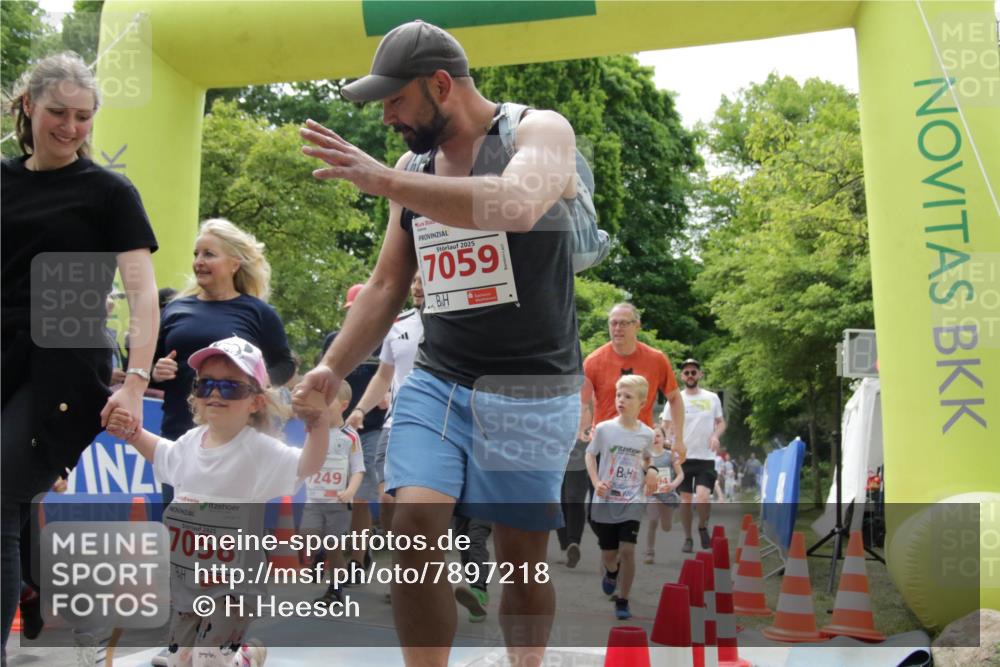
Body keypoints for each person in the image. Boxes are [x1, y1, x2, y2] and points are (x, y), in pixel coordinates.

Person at [296, 19, 584, 666]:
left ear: (441, 84)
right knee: (414, 525)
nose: (386, 117)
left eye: (395, 100)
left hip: (530, 387)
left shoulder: (538, 130)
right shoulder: (411, 166)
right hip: (440, 378)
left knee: (519, 558)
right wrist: (330, 368)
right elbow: (385, 285)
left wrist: (387, 183)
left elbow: (515, 205)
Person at [1, 51, 159, 660]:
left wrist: (136, 383)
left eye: (84, 117)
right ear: (27, 106)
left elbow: (144, 295)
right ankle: (35, 589)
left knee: (2, 493)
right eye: (58, 113)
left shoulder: (108, 191)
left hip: (67, 351)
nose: (70, 127)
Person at [108, 336, 329, 667]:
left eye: (230, 387)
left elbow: (306, 466)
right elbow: (163, 453)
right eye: (205, 384)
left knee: (208, 661)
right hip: (188, 582)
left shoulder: (257, 450)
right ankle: (233, 655)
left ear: (255, 401)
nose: (214, 393)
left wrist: (318, 426)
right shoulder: (190, 442)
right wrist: (133, 433)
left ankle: (241, 657)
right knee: (179, 660)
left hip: (233, 589)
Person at [320, 283, 389, 578]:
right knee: (332, 493)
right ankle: (333, 558)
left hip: (371, 429)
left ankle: (358, 561)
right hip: (337, 431)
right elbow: (325, 378)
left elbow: (390, 376)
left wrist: (385, 393)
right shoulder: (335, 341)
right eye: (352, 310)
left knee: (360, 497)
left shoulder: (385, 342)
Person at [585, 375, 657, 620]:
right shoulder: (605, 430)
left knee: (628, 551)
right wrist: (596, 482)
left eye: (628, 396)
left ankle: (623, 600)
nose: (621, 400)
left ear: (642, 403)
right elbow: (589, 455)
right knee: (609, 555)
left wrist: (652, 472)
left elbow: (650, 458)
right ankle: (611, 572)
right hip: (606, 501)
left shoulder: (646, 434)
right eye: (619, 395)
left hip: (632, 501)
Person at [580, 303, 685, 454]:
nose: (617, 328)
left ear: (637, 325)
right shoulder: (593, 361)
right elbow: (581, 402)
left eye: (623, 323)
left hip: (641, 443)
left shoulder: (656, 359)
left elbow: (675, 397)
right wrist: (582, 428)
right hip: (605, 444)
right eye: (613, 323)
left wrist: (679, 439)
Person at [301, 380, 364, 605]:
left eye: (328, 401)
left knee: (335, 549)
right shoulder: (313, 432)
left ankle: (335, 589)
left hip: (338, 502)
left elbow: (358, 469)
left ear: (343, 405)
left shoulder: (350, 436)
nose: (322, 405)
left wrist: (350, 491)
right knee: (307, 536)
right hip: (314, 500)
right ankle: (318, 554)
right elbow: (304, 461)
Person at [662, 359, 726, 553]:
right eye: (686, 373)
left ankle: (702, 527)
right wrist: (669, 439)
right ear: (682, 377)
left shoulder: (712, 398)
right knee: (686, 500)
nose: (690, 375)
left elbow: (721, 422)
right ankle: (688, 537)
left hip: (705, 456)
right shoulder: (675, 399)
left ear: (700, 375)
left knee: (704, 497)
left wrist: (715, 435)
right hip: (682, 457)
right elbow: (665, 424)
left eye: (693, 372)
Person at [643, 426, 684, 564]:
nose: (655, 438)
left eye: (658, 436)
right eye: (652, 436)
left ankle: (670, 516)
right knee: (653, 520)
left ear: (663, 439)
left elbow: (680, 474)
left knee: (666, 527)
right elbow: (641, 474)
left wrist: (673, 485)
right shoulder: (647, 457)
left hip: (667, 495)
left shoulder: (669, 455)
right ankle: (649, 553)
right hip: (652, 495)